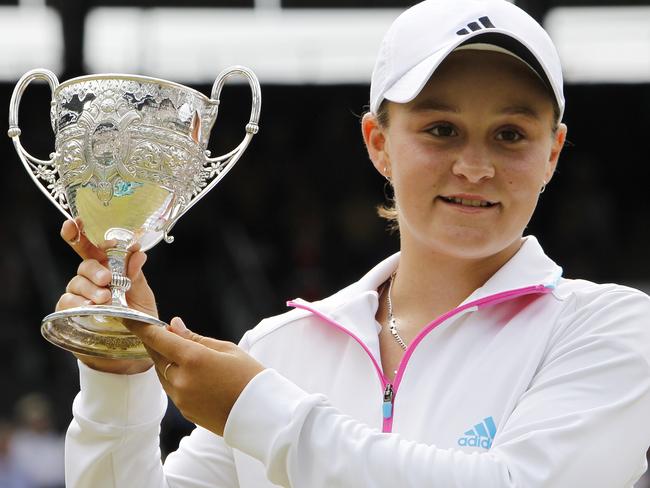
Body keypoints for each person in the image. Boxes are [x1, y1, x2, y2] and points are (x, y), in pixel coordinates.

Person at [58, 0, 650, 486]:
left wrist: (260, 412)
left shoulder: (611, 329)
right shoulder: (278, 350)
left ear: (552, 152)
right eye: (441, 130)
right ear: (378, 143)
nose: (475, 166)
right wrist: (118, 382)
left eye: (511, 134)